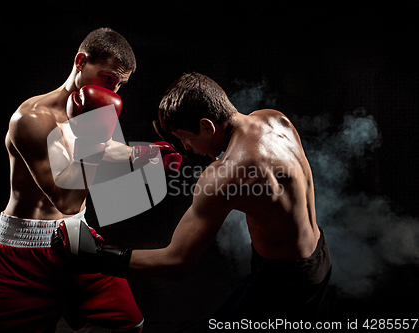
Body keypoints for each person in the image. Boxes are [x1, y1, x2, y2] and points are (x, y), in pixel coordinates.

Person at [53, 72, 332, 328]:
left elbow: (175, 262)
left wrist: (99, 257)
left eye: (185, 139)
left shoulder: (223, 175)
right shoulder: (274, 119)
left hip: (283, 286)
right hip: (319, 255)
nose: (187, 148)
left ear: (206, 125)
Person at [0, 28, 146, 333]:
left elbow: (98, 150)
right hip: (21, 252)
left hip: (76, 239)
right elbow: (66, 199)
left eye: (120, 85)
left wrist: (143, 154)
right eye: (108, 79)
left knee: (131, 325)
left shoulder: (87, 114)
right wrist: (96, 134)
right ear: (80, 61)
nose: (114, 91)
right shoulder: (31, 119)